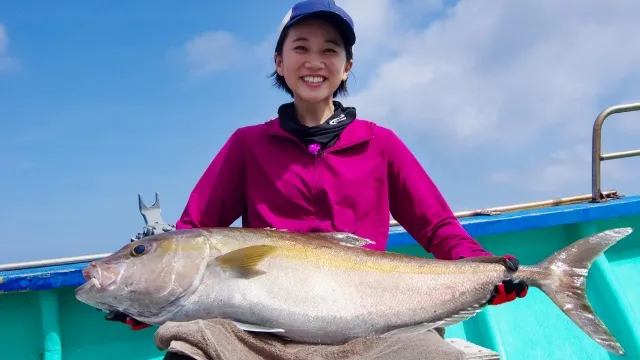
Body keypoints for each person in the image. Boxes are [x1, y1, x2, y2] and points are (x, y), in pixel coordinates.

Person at [106, 1, 528, 358]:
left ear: (346, 67)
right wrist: (146, 296)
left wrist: (483, 268)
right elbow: (192, 235)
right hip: (260, 331)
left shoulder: (382, 145)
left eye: (330, 50)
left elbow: (438, 228)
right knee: (189, 347)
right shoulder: (247, 145)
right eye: (300, 47)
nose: (314, 61)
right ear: (279, 62)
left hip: (374, 323)